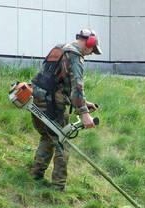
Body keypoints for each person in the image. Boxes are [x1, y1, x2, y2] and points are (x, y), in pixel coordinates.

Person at [29, 29, 102, 191]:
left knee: (48, 137)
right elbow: (77, 87)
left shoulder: (59, 49)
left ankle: (35, 175)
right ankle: (58, 188)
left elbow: (57, 81)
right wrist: (85, 116)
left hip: (36, 99)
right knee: (63, 142)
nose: (91, 53)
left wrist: (84, 103)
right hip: (53, 106)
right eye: (92, 49)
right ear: (89, 43)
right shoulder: (76, 57)